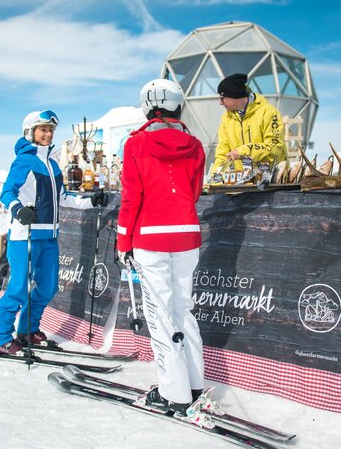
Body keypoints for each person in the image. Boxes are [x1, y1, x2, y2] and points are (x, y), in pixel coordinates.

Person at [116, 79, 209, 424]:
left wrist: (124, 242)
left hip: (151, 239)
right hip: (186, 235)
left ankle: (175, 395)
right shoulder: (195, 145)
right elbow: (195, 190)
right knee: (184, 310)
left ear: (147, 108)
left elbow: (131, 198)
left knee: (161, 316)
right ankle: (195, 385)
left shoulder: (136, 144)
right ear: (177, 107)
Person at [0, 110, 106, 355]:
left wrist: (91, 201)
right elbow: (8, 192)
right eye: (42, 129)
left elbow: (63, 197)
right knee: (19, 288)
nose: (47, 134)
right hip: (25, 235)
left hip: (49, 236)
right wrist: (19, 210)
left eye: (50, 130)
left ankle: (27, 330)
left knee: (48, 287)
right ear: (30, 132)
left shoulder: (52, 164)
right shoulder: (24, 160)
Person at [209, 73, 287, 175]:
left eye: (222, 98)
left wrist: (242, 152)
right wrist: (215, 175)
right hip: (244, 184)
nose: (220, 103)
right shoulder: (226, 119)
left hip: (272, 183)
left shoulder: (269, 112)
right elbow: (223, 153)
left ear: (234, 95)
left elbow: (274, 147)